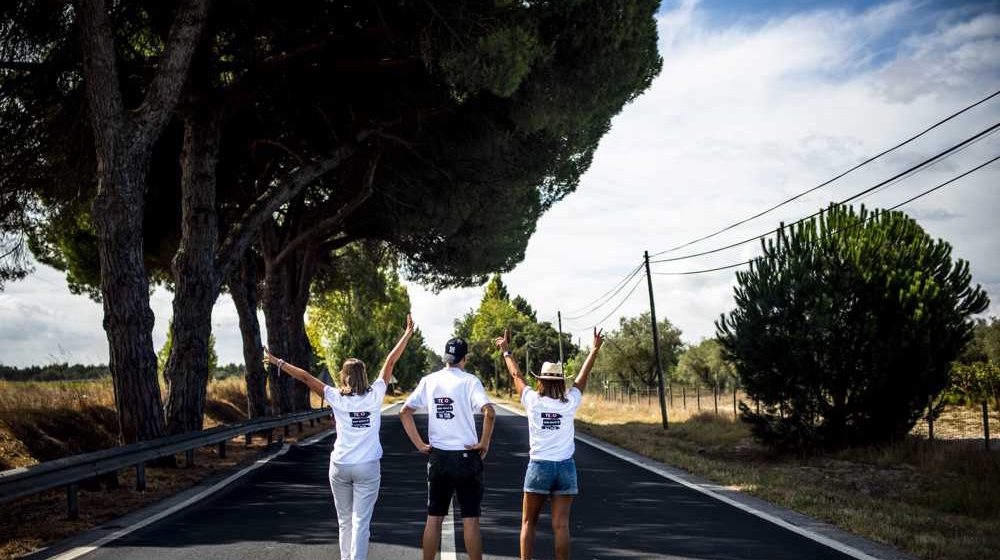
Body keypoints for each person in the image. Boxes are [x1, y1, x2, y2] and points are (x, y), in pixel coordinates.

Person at [263, 315, 415, 560]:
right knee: (360, 522)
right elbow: (391, 361)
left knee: (344, 521)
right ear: (364, 376)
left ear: (344, 378)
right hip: (367, 467)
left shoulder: (335, 396)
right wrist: (407, 334)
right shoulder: (376, 394)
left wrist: (276, 361)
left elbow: (303, 376)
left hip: (340, 466)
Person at [494, 327, 604, 560]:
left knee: (528, 522)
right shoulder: (569, 402)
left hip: (539, 467)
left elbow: (516, 376)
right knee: (561, 527)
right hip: (565, 468)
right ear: (561, 381)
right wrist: (593, 350)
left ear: (540, 381)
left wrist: (506, 352)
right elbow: (582, 379)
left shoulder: (533, 401)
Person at [399, 336, 496, 560]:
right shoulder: (470, 381)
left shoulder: (429, 380)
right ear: (465, 358)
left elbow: (405, 411)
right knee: (470, 519)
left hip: (439, 457)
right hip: (466, 457)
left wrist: (420, 444)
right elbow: (489, 412)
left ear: (446, 358)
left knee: (434, 518)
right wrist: (484, 443)